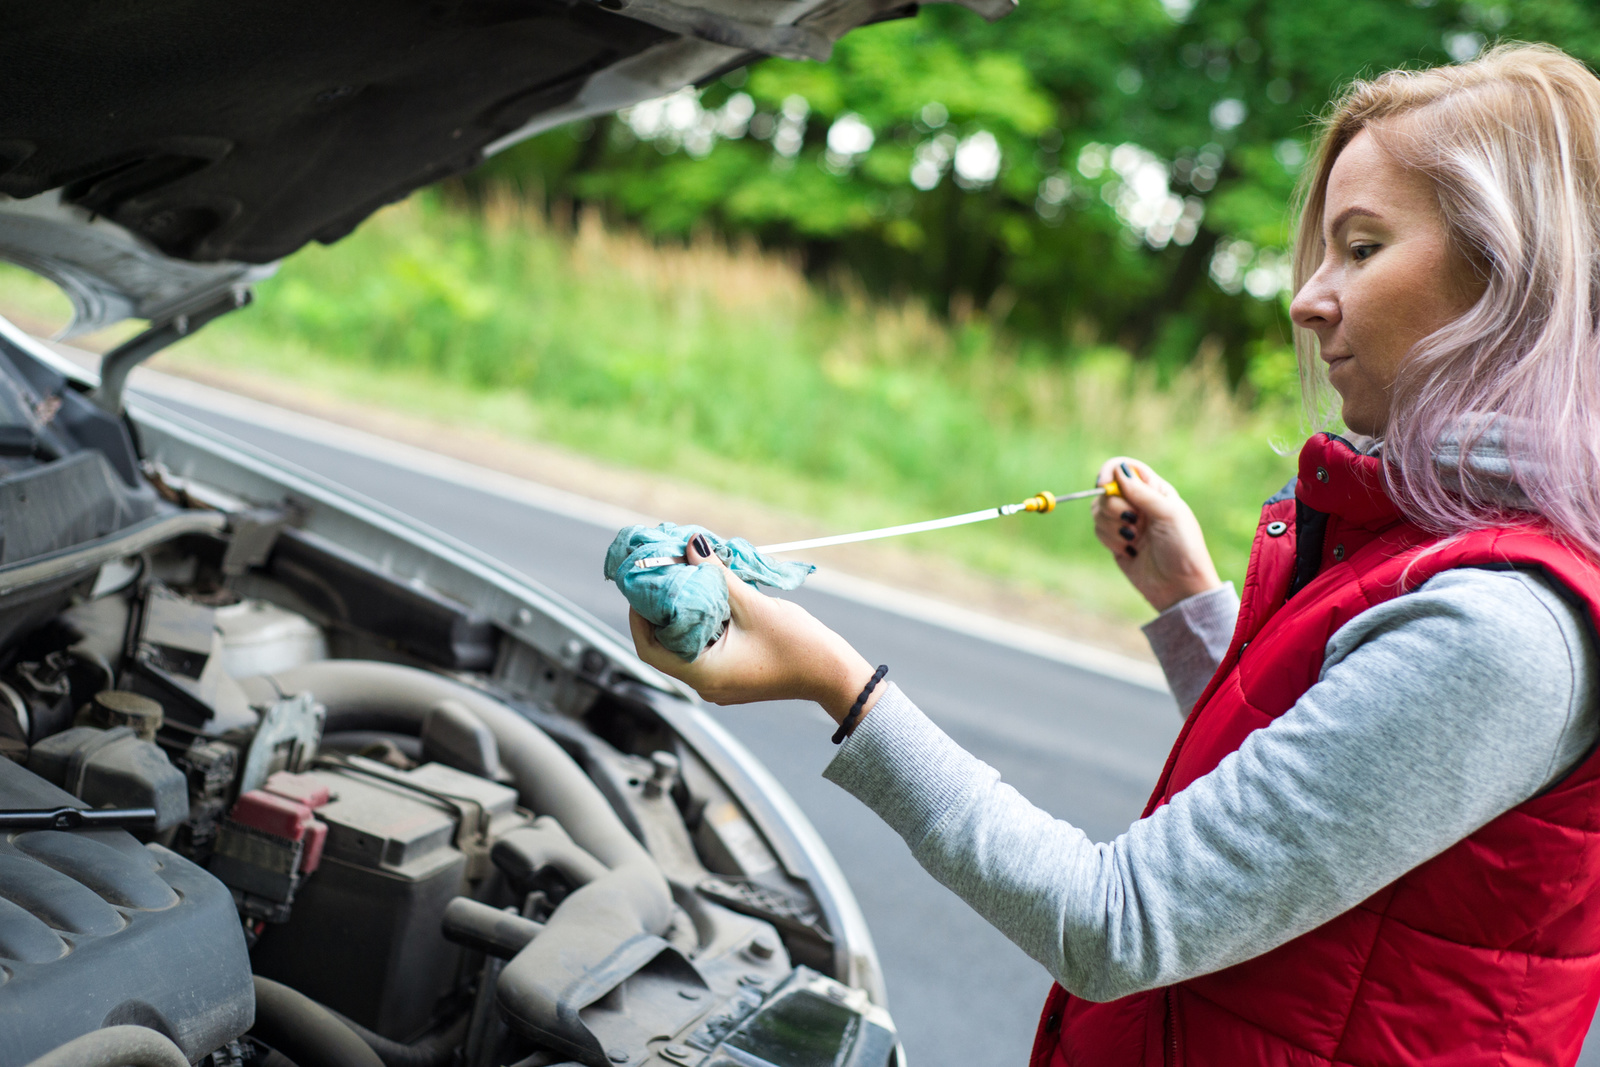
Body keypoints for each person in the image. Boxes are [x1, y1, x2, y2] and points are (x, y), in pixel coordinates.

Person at [628, 44, 1600, 1065]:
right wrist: (1191, 608)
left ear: (1511, 279)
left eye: (1359, 248)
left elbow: (1116, 923)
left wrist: (835, 683)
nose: (1306, 300)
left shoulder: (1500, 627)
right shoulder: (1440, 553)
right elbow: (1329, 801)